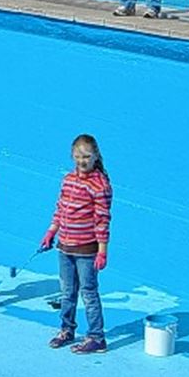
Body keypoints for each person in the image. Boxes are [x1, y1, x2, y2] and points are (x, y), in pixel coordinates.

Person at [41, 134, 113, 355]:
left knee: (88, 293)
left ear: (96, 156)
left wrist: (102, 251)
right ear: (72, 155)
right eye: (78, 156)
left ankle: (96, 337)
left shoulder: (100, 185)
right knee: (67, 291)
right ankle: (67, 329)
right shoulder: (69, 180)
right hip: (65, 247)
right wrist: (51, 231)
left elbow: (102, 220)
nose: (82, 161)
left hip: (86, 250)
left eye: (87, 156)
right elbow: (60, 209)